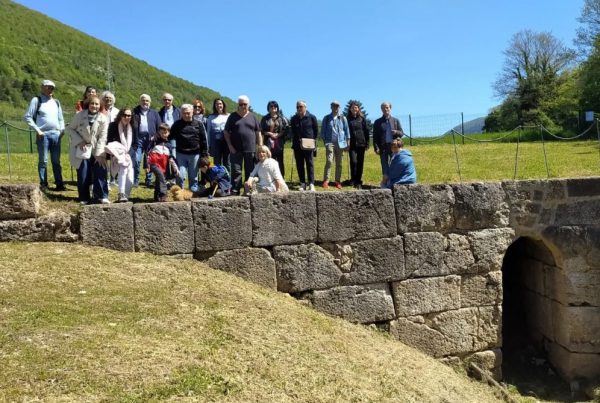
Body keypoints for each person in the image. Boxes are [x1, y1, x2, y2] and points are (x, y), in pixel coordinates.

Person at [67, 95, 110, 204]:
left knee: (100, 169)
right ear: (88, 104)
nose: (94, 106)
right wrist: (79, 141)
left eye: (97, 104)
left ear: (100, 106)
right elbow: (71, 129)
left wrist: (99, 154)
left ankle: (101, 195)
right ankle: (84, 197)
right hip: (83, 148)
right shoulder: (80, 116)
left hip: (97, 148)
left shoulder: (103, 118)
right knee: (83, 172)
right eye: (92, 103)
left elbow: (103, 137)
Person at [24, 79, 66, 191]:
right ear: (42, 87)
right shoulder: (36, 100)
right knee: (44, 160)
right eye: (48, 87)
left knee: (56, 161)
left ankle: (59, 184)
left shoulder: (56, 102)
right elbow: (28, 116)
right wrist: (37, 130)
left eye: (52, 87)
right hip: (43, 135)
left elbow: (60, 118)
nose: (50, 89)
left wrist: (62, 130)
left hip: (56, 134)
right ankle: (44, 184)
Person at [224, 95, 262, 194]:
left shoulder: (253, 117)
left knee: (250, 172)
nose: (243, 106)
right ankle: (235, 191)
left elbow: (258, 133)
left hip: (251, 149)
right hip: (235, 150)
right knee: (236, 171)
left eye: (245, 104)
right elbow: (226, 132)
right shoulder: (232, 116)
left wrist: (260, 147)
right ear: (238, 105)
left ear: (248, 105)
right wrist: (229, 146)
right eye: (241, 104)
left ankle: (248, 190)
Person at [169, 104, 208, 193]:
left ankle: (193, 192)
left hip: (195, 154)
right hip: (180, 154)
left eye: (188, 113)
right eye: (184, 113)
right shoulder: (177, 124)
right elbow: (170, 137)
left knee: (193, 176)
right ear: (181, 113)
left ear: (192, 112)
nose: (186, 115)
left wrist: (204, 154)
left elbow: (203, 140)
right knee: (180, 175)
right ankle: (179, 192)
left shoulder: (199, 124)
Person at [105, 108, 137, 202]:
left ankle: (125, 196)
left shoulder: (133, 127)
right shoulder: (113, 126)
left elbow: (136, 143)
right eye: (124, 115)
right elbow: (110, 140)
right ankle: (121, 193)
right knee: (123, 170)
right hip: (117, 153)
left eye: (129, 115)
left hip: (129, 154)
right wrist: (118, 151)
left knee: (130, 179)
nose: (126, 117)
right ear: (120, 115)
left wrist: (129, 153)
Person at [132, 93, 162, 187]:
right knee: (136, 160)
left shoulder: (154, 113)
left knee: (149, 160)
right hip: (138, 138)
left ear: (150, 102)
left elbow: (160, 127)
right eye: (143, 100)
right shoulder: (134, 111)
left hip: (150, 139)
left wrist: (155, 137)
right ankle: (135, 180)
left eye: (147, 100)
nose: (145, 102)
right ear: (140, 101)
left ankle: (148, 180)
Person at [290, 100, 318, 191]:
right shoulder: (293, 119)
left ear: (305, 107)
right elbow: (293, 131)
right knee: (299, 164)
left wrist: (312, 141)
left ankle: (311, 183)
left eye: (301, 107)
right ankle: (302, 183)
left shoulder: (312, 117)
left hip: (308, 144)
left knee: (310, 164)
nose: (299, 108)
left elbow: (316, 130)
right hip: (297, 145)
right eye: (297, 107)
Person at [321, 100, 350, 189]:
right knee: (329, 161)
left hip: (341, 143)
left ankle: (337, 181)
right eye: (334, 106)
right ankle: (326, 180)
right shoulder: (326, 118)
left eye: (337, 106)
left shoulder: (343, 118)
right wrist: (325, 142)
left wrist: (348, 142)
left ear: (339, 107)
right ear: (331, 107)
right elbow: (322, 131)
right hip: (329, 142)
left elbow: (347, 131)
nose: (335, 108)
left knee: (339, 163)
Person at [147, 123, 178, 202]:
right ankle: (163, 194)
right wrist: (147, 165)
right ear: (159, 132)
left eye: (166, 132)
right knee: (161, 177)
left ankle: (156, 196)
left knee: (159, 179)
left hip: (163, 166)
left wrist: (175, 168)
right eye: (162, 133)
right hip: (153, 163)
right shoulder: (154, 142)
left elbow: (171, 158)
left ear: (169, 133)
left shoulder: (169, 145)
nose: (164, 134)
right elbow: (147, 153)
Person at [373, 101, 405, 178]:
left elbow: (402, 133)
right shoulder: (377, 122)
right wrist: (376, 148)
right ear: (381, 109)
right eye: (383, 108)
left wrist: (396, 132)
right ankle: (386, 181)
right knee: (384, 165)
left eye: (387, 107)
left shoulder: (395, 121)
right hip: (383, 147)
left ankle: (394, 180)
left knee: (394, 164)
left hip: (394, 146)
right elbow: (375, 137)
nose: (385, 109)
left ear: (390, 108)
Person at [260, 100, 289, 177]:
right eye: (271, 106)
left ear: (277, 108)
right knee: (269, 161)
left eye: (275, 106)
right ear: (268, 108)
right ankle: (270, 178)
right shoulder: (264, 118)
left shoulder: (282, 118)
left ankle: (281, 178)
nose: (273, 108)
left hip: (279, 143)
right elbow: (261, 130)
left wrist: (279, 135)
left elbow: (286, 129)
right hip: (268, 143)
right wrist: (268, 133)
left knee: (280, 161)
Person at [347, 101, 370, 189]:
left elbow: (366, 131)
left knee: (360, 162)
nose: (354, 109)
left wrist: (367, 142)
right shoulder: (347, 119)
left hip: (361, 143)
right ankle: (353, 179)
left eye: (356, 107)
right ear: (350, 109)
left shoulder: (362, 119)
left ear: (358, 109)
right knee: (353, 162)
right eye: (352, 107)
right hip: (351, 144)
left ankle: (358, 180)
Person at [101, 90, 120, 187]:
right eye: (106, 97)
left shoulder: (117, 111)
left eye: (110, 98)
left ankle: (114, 178)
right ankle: (105, 177)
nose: (108, 99)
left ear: (113, 100)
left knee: (114, 158)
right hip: (102, 136)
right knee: (104, 157)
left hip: (113, 137)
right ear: (102, 99)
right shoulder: (100, 110)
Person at [206, 98, 230, 174]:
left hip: (226, 141)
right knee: (217, 163)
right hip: (215, 142)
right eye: (217, 104)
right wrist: (208, 145)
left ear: (223, 105)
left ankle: (228, 181)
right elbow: (208, 131)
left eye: (220, 104)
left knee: (227, 162)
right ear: (214, 106)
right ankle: (218, 181)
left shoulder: (228, 116)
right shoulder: (210, 117)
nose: (219, 105)